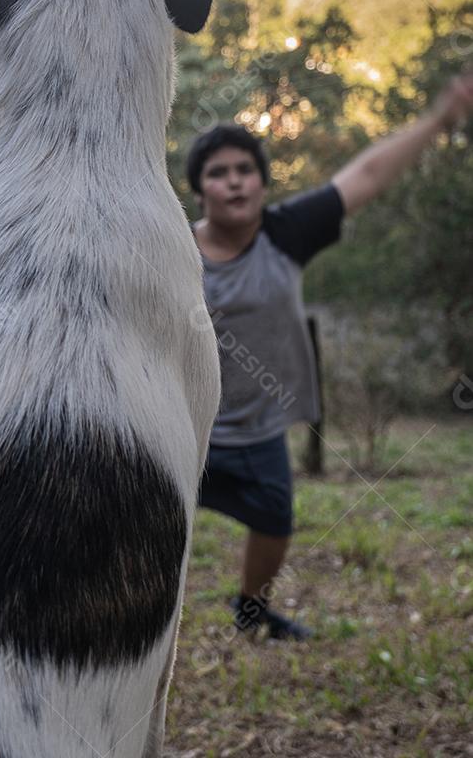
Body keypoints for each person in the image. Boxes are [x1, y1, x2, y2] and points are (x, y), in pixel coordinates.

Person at [187, 74, 473, 640]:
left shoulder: (288, 233)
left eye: (245, 170)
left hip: (260, 428)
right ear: (200, 191)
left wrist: (439, 121)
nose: (235, 182)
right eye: (218, 173)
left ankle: (251, 610)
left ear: (263, 183)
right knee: (152, 520)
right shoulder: (173, 247)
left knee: (276, 520)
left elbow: (365, 175)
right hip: (184, 424)